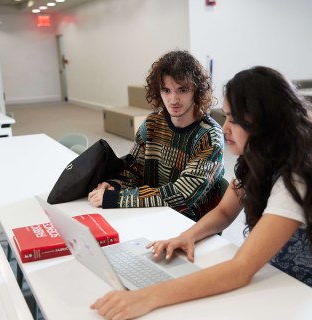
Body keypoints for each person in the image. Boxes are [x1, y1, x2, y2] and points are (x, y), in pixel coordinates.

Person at [90, 66, 312, 319]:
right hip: (281, 274)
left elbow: (241, 269)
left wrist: (146, 297)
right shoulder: (260, 156)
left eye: (233, 120)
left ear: (264, 125)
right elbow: (225, 211)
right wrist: (186, 236)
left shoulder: (298, 177)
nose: (224, 128)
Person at [88, 50, 225, 222]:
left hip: (189, 223)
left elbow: (181, 195)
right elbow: (135, 168)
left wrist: (117, 198)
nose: (173, 99)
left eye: (182, 90)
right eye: (166, 90)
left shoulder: (209, 136)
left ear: (196, 91)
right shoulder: (153, 122)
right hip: (150, 212)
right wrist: (115, 185)